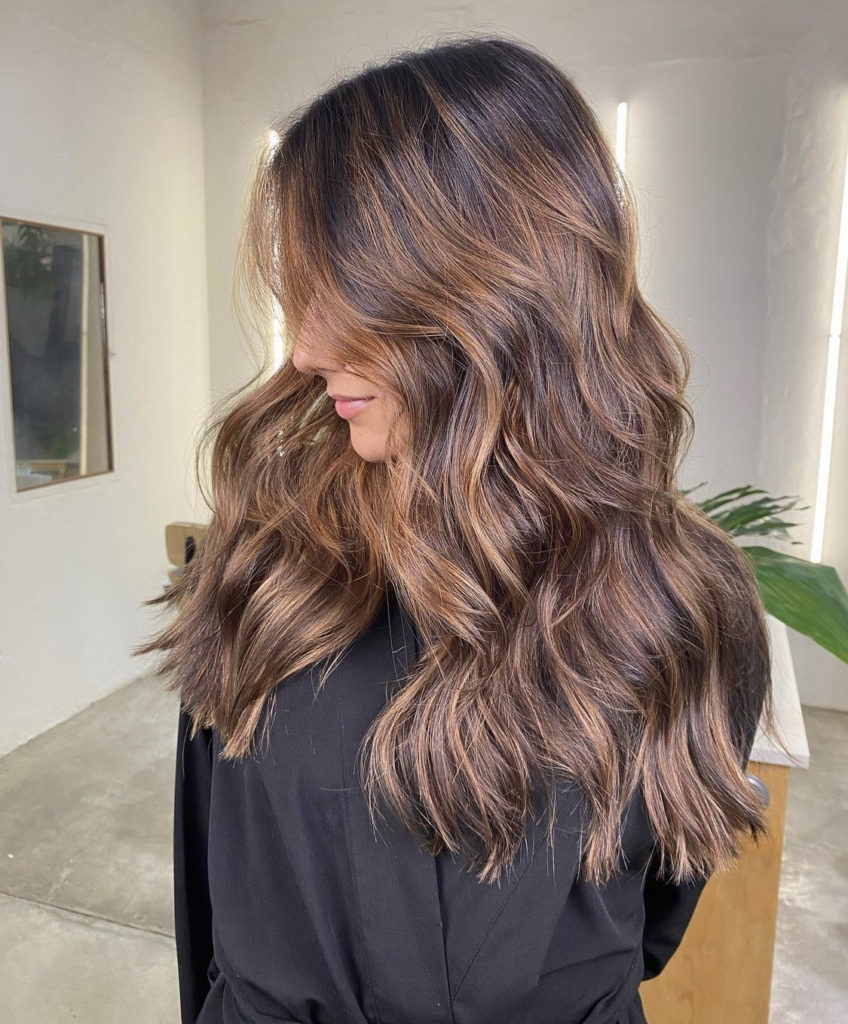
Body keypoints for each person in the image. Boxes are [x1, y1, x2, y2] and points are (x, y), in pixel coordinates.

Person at [135, 33, 776, 1024]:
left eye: (351, 294)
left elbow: (652, 915)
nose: (305, 348)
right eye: (304, 291)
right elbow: (209, 887)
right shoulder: (266, 560)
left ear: (495, 297)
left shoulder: (683, 604)